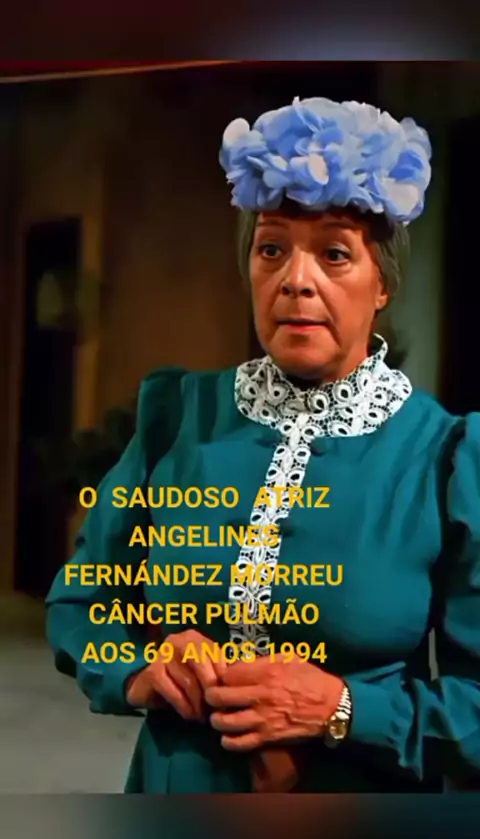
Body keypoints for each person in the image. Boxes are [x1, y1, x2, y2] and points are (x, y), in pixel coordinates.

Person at [46, 96, 480, 793]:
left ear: (382, 286)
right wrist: (138, 669)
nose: (295, 281)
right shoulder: (177, 418)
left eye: (334, 254)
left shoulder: (445, 456)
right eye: (271, 249)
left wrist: (342, 708)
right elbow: (83, 599)